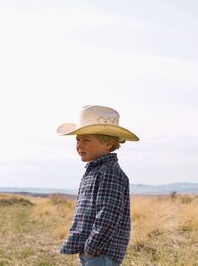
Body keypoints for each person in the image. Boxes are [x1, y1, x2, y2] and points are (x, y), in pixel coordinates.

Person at [57, 105, 139, 266]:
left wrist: (91, 248)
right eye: (78, 139)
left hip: (101, 254)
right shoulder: (95, 170)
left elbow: (108, 216)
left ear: (107, 144)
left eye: (86, 140)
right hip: (94, 253)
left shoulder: (109, 173)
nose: (79, 145)